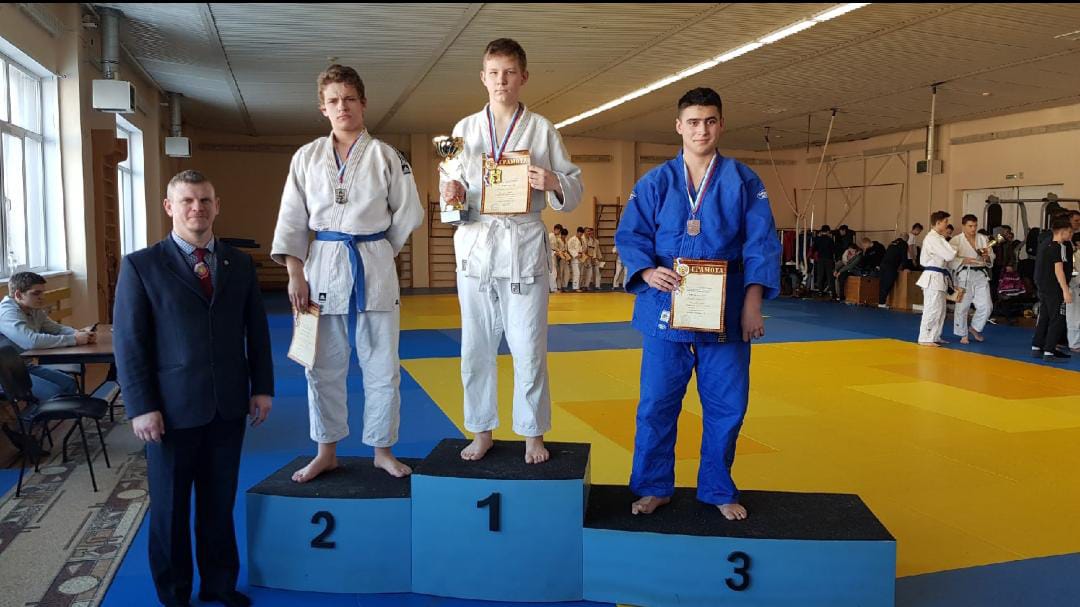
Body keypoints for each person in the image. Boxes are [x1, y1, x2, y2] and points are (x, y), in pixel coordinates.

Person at [615, 87, 780, 520]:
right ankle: (653, 486)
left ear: (721, 124)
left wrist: (753, 303)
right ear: (679, 126)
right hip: (666, 303)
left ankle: (717, 487)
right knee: (656, 405)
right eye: (693, 122)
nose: (701, 130)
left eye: (709, 121)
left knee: (728, 406)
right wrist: (646, 272)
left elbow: (761, 244)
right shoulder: (655, 182)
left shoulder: (744, 181)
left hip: (726, 306)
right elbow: (631, 234)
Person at [114, 170, 274, 607]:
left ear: (217, 206)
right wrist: (141, 406)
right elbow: (129, 343)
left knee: (218, 503)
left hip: (228, 403)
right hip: (169, 409)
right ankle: (175, 593)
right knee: (169, 508)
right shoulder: (141, 265)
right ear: (170, 207)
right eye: (187, 200)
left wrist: (262, 386)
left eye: (204, 200)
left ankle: (220, 584)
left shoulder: (239, 264)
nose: (196, 208)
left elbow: (256, 330)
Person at [272, 65, 424, 482]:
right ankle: (326, 451)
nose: (343, 107)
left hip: (372, 261)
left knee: (382, 364)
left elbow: (409, 212)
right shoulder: (306, 157)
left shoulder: (386, 156)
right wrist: (295, 272)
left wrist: (381, 250)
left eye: (350, 99)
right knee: (321, 364)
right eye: (334, 101)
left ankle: (382, 449)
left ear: (363, 103)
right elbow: (292, 218)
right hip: (321, 263)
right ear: (323, 108)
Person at [439, 38, 583, 463]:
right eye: (494, 73)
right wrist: (451, 194)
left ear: (523, 77)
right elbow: (450, 191)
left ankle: (532, 433)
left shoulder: (541, 129)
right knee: (475, 347)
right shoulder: (464, 130)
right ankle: (481, 430)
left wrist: (554, 182)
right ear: (483, 78)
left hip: (522, 242)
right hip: (478, 244)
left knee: (529, 346)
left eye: (509, 73)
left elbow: (573, 183)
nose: (501, 80)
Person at [0, 272, 89, 400]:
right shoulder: (7, 313)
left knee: (69, 384)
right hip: (6, 373)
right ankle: (35, 413)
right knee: (55, 393)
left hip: (24, 366)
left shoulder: (33, 308)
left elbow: (56, 329)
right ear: (18, 295)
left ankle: (54, 411)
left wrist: (78, 333)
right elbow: (31, 341)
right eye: (36, 293)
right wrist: (74, 339)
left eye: (43, 292)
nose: (42, 297)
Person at [1031, 213, 1074, 361]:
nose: (1071, 235)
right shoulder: (1058, 247)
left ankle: (1037, 346)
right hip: (1054, 288)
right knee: (1057, 318)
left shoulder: (1046, 244)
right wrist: (1065, 290)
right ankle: (1049, 350)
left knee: (1044, 316)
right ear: (1063, 231)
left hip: (1044, 286)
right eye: (1070, 232)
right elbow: (1058, 270)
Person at [950, 215, 995, 344]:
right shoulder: (956, 240)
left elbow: (991, 256)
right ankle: (963, 334)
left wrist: (987, 257)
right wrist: (963, 260)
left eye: (975, 226)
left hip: (980, 274)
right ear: (963, 226)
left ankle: (974, 328)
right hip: (964, 274)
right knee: (963, 305)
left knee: (987, 306)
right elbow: (949, 259)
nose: (973, 229)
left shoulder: (983, 238)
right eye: (970, 226)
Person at [916, 211, 957, 347]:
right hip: (933, 277)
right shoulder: (932, 238)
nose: (947, 224)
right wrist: (956, 250)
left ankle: (935, 336)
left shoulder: (939, 238)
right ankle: (925, 337)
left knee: (940, 310)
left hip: (939, 277)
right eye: (945, 222)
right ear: (938, 223)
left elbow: (949, 255)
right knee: (932, 308)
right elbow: (949, 255)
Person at [877, 237, 908, 308]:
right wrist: (905, 267)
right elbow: (904, 256)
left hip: (883, 265)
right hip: (891, 266)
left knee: (882, 284)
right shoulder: (904, 244)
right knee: (887, 284)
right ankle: (882, 303)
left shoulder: (892, 243)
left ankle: (881, 302)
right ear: (906, 239)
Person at [1068, 210, 1080, 352]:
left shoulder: (1072, 246)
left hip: (1074, 283)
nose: (1078, 224)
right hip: (1071, 284)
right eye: (1076, 221)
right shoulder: (1065, 245)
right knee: (1073, 315)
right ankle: (1074, 344)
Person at [812, 225, 835, 296]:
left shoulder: (817, 239)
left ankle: (820, 291)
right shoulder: (830, 240)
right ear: (828, 231)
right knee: (829, 275)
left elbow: (814, 249)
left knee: (820, 275)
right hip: (829, 259)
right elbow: (833, 250)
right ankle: (831, 292)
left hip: (820, 259)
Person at [568, 227, 586, 292]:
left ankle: (579, 286)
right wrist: (575, 254)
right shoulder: (572, 239)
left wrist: (583, 254)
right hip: (575, 258)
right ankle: (575, 287)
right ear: (577, 232)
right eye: (580, 234)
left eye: (582, 234)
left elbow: (583, 248)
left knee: (580, 273)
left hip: (581, 257)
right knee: (576, 273)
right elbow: (570, 248)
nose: (581, 235)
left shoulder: (582, 240)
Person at [548, 223, 563, 293]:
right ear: (557, 229)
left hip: (553, 256)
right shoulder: (550, 236)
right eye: (559, 232)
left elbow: (554, 247)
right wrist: (554, 252)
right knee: (553, 273)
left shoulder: (554, 237)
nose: (559, 233)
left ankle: (552, 288)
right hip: (550, 256)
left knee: (553, 273)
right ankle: (553, 289)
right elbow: (547, 247)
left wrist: (559, 252)